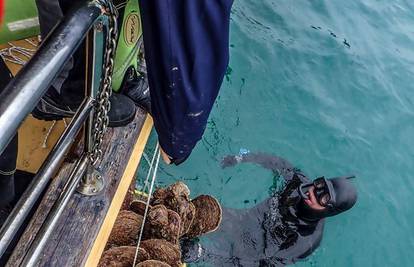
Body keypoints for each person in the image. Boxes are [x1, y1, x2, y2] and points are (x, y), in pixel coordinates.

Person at [182, 152, 358, 266]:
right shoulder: (299, 182)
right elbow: (276, 162)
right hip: (243, 220)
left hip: (249, 252)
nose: (314, 191)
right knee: (191, 214)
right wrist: (242, 158)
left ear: (329, 210)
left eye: (324, 197)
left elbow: (262, 263)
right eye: (321, 185)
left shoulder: (307, 240)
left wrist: (205, 255)